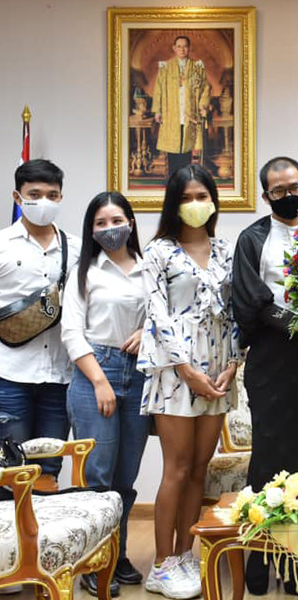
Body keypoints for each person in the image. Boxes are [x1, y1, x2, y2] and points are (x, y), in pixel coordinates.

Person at [138, 165, 242, 599]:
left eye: (203, 195)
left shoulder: (224, 250)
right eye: (187, 197)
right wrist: (187, 370)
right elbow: (157, 315)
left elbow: (237, 310)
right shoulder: (159, 251)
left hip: (218, 373)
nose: (196, 204)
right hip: (176, 375)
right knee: (176, 469)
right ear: (174, 204)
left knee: (199, 469)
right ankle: (161, 565)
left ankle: (185, 553)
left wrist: (233, 363)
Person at [232, 156, 298, 596]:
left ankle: (296, 558)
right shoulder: (252, 238)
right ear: (265, 196)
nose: (289, 196)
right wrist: (296, 322)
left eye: (295, 187)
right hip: (270, 358)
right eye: (278, 191)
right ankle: (261, 551)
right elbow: (250, 299)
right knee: (269, 454)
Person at [61, 192, 150, 596]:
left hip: (142, 375)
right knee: (98, 477)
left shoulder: (149, 269)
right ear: (91, 230)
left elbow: (163, 318)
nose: (110, 228)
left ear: (130, 222)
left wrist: (147, 333)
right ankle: (94, 564)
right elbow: (70, 332)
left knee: (125, 479)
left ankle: (119, 553)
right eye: (100, 223)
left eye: (117, 219)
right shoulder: (84, 270)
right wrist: (100, 381)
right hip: (97, 371)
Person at [0, 159, 81, 485]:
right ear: (18, 197)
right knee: (10, 470)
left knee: (48, 471)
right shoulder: (3, 245)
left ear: (61, 198)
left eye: (52, 194)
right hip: (9, 375)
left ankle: (45, 538)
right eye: (35, 194)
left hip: (60, 377)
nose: (44, 201)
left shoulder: (75, 248)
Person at [152, 35, 211, 176]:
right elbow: (158, 89)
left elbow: (205, 87)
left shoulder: (197, 67)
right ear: (174, 48)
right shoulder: (165, 67)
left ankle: (185, 179)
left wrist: (203, 105)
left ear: (189, 48)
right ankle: (173, 179)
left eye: (185, 46)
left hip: (190, 113)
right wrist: (157, 111)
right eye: (179, 46)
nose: (182, 49)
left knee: (187, 147)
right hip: (171, 112)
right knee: (172, 148)